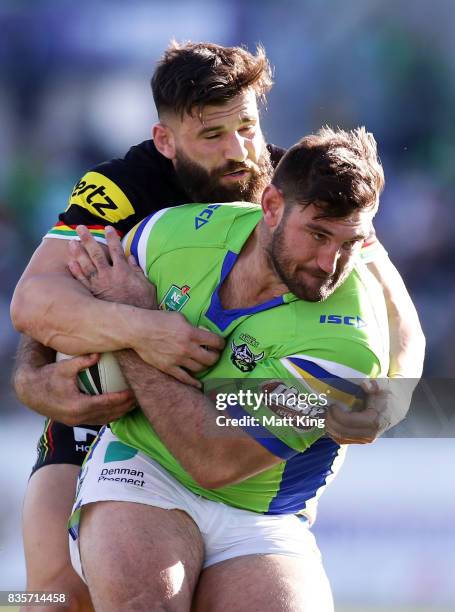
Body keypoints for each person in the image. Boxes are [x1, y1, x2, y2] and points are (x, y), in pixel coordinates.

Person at [10, 42, 424, 611]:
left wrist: (379, 400)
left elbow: (399, 323)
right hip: (113, 408)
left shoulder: (304, 194)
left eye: (248, 128)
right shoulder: (123, 187)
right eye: (212, 136)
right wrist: (125, 336)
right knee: (50, 593)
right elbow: (38, 301)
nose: (239, 152)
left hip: (247, 449)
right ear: (165, 140)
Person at [67, 126, 395, 612]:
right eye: (319, 234)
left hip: (264, 515)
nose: (330, 263)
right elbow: (62, 293)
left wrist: (136, 330)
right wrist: (34, 370)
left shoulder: (349, 348)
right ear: (272, 206)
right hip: (141, 467)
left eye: (352, 244)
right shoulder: (173, 233)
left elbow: (214, 460)